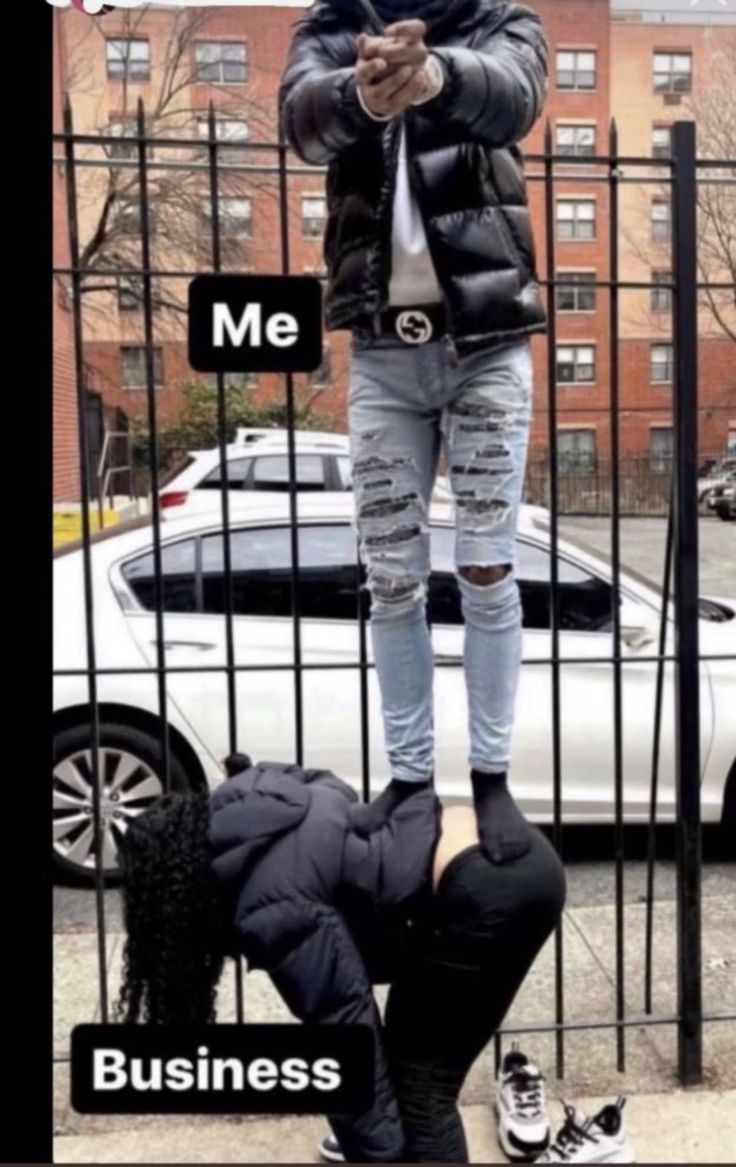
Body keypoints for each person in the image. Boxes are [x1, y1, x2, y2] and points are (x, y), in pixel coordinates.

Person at [278, 0, 549, 865]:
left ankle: (493, 777)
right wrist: (363, 93)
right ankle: (408, 779)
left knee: (487, 567)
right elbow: (302, 119)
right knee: (391, 581)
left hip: (487, 347)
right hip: (386, 357)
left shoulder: (498, 18)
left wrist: (436, 77)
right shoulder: (331, 24)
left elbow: (517, 96)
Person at [117, 756, 566, 1163]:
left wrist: (379, 1152)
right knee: (406, 1076)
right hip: (501, 857)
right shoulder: (261, 803)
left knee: (423, 1091)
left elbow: (345, 1028)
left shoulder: (269, 904)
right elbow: (332, 790)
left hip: (487, 890)